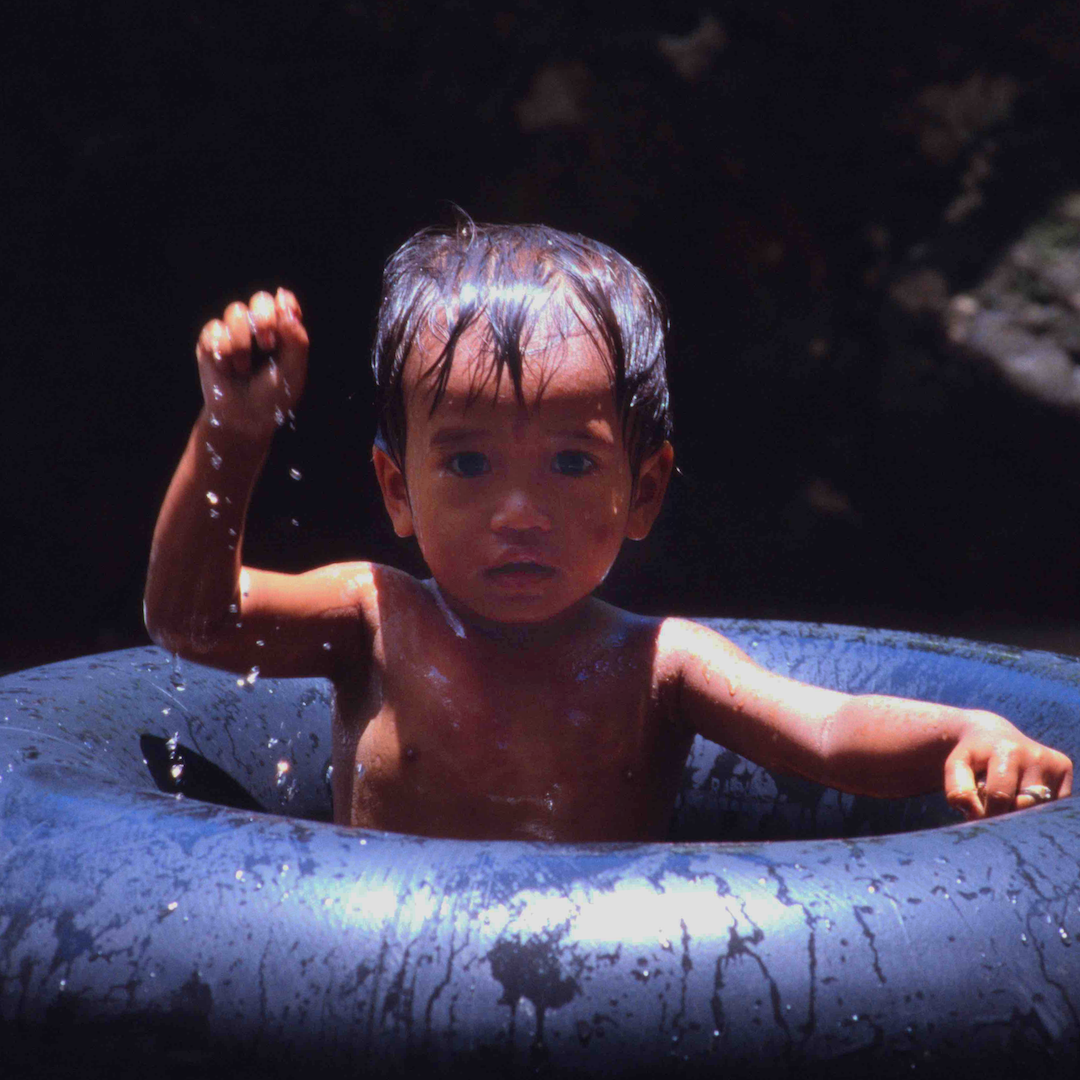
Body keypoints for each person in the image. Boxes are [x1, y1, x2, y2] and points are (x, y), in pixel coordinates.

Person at [144, 221, 1072, 841]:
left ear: (646, 492)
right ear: (397, 490)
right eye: (467, 465)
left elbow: (826, 731)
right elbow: (192, 621)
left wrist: (963, 733)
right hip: (381, 990)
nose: (519, 513)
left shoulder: (660, 667)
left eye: (572, 463)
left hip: (598, 998)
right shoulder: (374, 620)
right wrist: (232, 433)